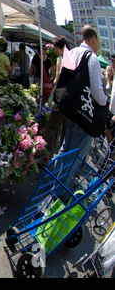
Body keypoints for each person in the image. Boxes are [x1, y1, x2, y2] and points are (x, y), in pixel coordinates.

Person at [53, 25, 107, 201]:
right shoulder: (92, 58)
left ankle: (54, 183)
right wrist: (105, 102)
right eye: (98, 41)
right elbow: (98, 94)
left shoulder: (72, 52)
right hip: (84, 114)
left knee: (66, 148)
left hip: (70, 111)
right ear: (93, 39)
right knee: (76, 153)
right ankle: (62, 191)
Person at [40, 36, 70, 166]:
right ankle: (64, 158)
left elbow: (57, 79)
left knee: (51, 127)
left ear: (60, 48)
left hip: (60, 98)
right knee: (65, 128)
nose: (56, 51)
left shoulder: (61, 59)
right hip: (70, 99)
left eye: (56, 49)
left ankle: (46, 156)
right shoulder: (74, 58)